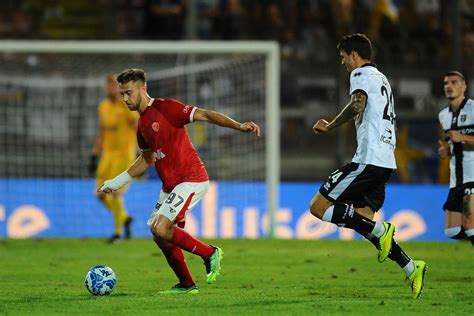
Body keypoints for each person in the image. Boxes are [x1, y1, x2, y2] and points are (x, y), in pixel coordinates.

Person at [98, 69, 260, 294]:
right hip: (170, 186)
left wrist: (238, 126)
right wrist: (117, 181)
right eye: (122, 94)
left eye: (129, 93)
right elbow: (146, 159)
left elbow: (205, 114)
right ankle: (187, 285)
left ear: (143, 88)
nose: (125, 99)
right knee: (160, 236)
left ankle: (210, 253)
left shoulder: (167, 108)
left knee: (161, 227)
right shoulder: (142, 125)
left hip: (191, 179)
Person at [310, 33, 427, 299]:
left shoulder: (360, 75)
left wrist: (330, 125)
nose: (343, 63)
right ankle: (411, 267)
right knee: (363, 223)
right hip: (386, 160)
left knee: (317, 207)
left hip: (368, 159)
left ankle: (381, 230)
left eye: (343, 57)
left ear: (354, 55)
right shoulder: (382, 78)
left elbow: (357, 104)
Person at [89, 74, 138, 244]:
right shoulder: (102, 107)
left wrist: (144, 151)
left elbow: (137, 127)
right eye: (108, 86)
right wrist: (94, 154)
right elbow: (103, 132)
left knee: (115, 193)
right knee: (100, 194)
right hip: (107, 155)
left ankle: (117, 234)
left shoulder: (127, 105)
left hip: (124, 154)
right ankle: (124, 218)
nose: (110, 89)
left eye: (113, 86)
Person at [437, 71, 474, 245]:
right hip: (455, 180)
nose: (449, 86)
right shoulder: (443, 115)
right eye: (446, 83)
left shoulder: (473, 109)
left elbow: (462, 139)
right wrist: (448, 151)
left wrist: (463, 137)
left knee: (470, 225)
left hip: (472, 176)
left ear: (464, 87)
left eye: (454, 82)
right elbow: (456, 143)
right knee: (452, 231)